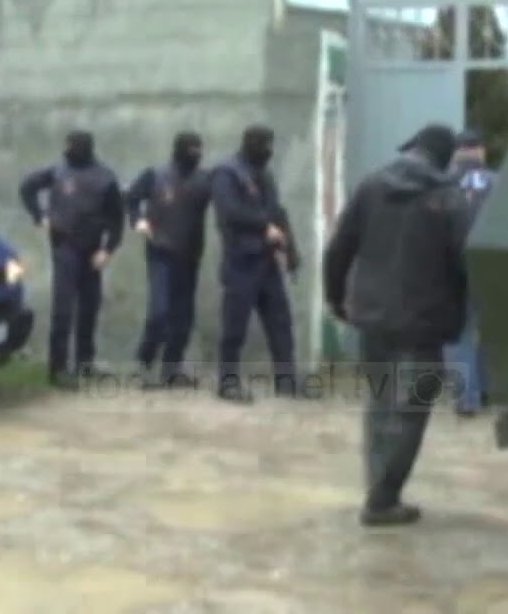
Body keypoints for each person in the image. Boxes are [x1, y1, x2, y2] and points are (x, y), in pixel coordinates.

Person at [323, 123, 468, 526]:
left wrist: (335, 297)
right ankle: (383, 499)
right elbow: (467, 261)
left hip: (372, 319)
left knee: (380, 406)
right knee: (410, 412)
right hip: (423, 324)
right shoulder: (449, 199)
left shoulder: (372, 186)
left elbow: (339, 248)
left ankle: (378, 491)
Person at [18, 131, 124, 388]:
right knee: (63, 310)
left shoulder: (105, 177)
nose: (67, 150)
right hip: (64, 246)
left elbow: (117, 219)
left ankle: (85, 364)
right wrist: (39, 216)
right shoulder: (57, 171)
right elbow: (27, 188)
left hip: (92, 250)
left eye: (71, 146)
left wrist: (107, 250)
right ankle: (58, 369)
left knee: (89, 308)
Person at [211, 124, 303, 403]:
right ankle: (227, 382)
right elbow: (229, 212)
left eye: (271, 144)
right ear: (248, 143)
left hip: (267, 262)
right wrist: (264, 227)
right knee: (234, 327)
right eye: (264, 145)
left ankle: (287, 381)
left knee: (280, 323)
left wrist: (291, 250)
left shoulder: (264, 173)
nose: (268, 151)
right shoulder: (227, 173)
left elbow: (278, 211)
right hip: (241, 261)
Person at [125, 131, 211, 389]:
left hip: (190, 255)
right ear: (177, 150)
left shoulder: (204, 180)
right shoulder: (155, 175)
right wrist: (137, 220)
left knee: (183, 318)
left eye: (199, 149)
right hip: (160, 252)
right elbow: (130, 197)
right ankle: (143, 364)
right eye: (190, 149)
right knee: (159, 313)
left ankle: (171, 370)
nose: (195, 154)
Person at [446, 128, 495, 417]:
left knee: (458, 333)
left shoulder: (442, 182)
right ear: (481, 151)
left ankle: (466, 398)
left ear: (456, 153)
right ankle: (487, 390)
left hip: (452, 265)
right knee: (490, 330)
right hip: (490, 264)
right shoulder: (498, 182)